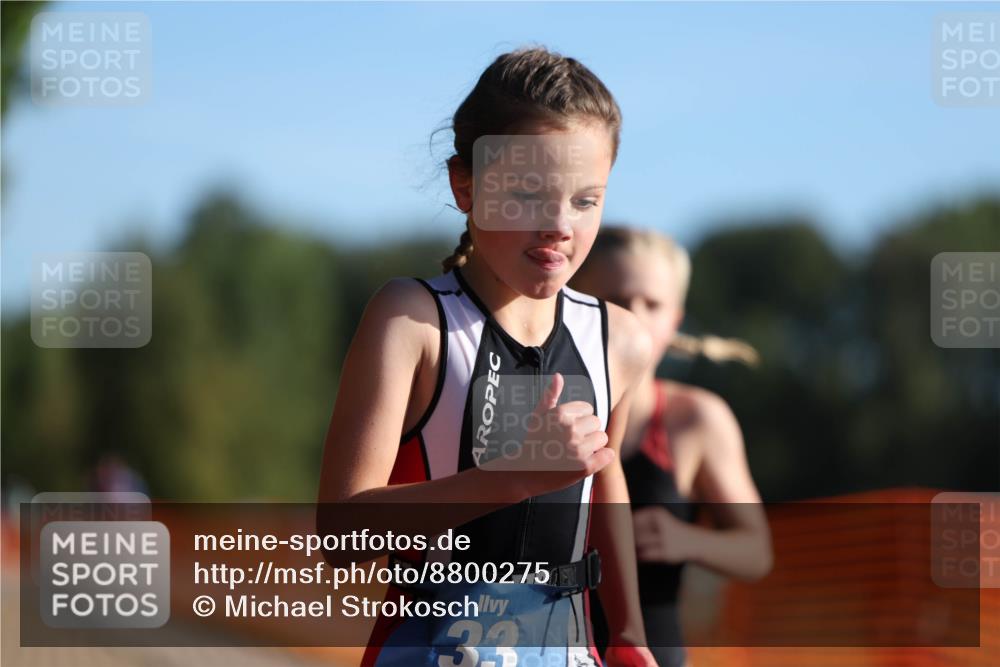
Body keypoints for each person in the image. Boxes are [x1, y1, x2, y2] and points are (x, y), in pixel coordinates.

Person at [317, 48, 658, 666]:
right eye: (530, 194)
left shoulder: (621, 340)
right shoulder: (412, 321)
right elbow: (341, 533)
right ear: (465, 185)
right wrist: (517, 476)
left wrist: (630, 632)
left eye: (586, 200)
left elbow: (602, 486)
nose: (559, 225)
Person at [570, 226, 773, 667]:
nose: (635, 317)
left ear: (675, 319)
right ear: (573, 304)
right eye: (618, 300)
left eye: (653, 305)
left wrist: (686, 539)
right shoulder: (530, 406)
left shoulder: (696, 418)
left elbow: (756, 551)